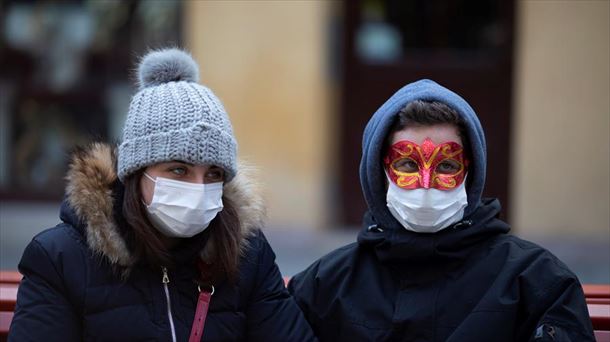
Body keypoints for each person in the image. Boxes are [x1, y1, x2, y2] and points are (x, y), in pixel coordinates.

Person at [9, 48, 316, 341]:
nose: (198, 189)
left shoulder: (247, 254)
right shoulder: (62, 259)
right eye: (178, 170)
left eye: (213, 174)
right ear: (135, 173)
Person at [288, 79, 595, 341]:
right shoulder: (325, 285)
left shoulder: (536, 280)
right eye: (407, 163)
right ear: (377, 173)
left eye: (446, 165)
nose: (425, 184)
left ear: (469, 172)